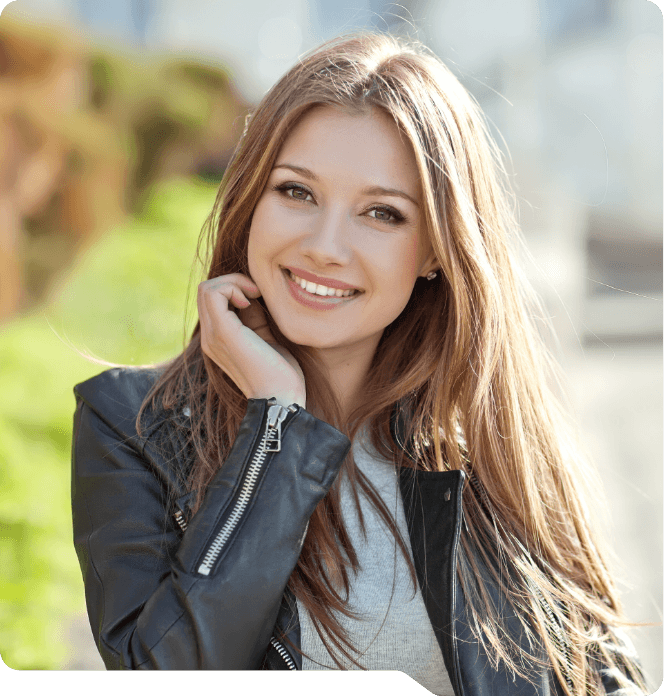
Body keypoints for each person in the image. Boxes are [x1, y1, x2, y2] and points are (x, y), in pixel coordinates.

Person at [71, 31, 647, 693]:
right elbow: (168, 678)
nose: (326, 246)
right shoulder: (134, 426)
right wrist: (277, 426)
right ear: (250, 199)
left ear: (436, 249)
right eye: (297, 193)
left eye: (381, 213)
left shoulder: (484, 443)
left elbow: (598, 673)